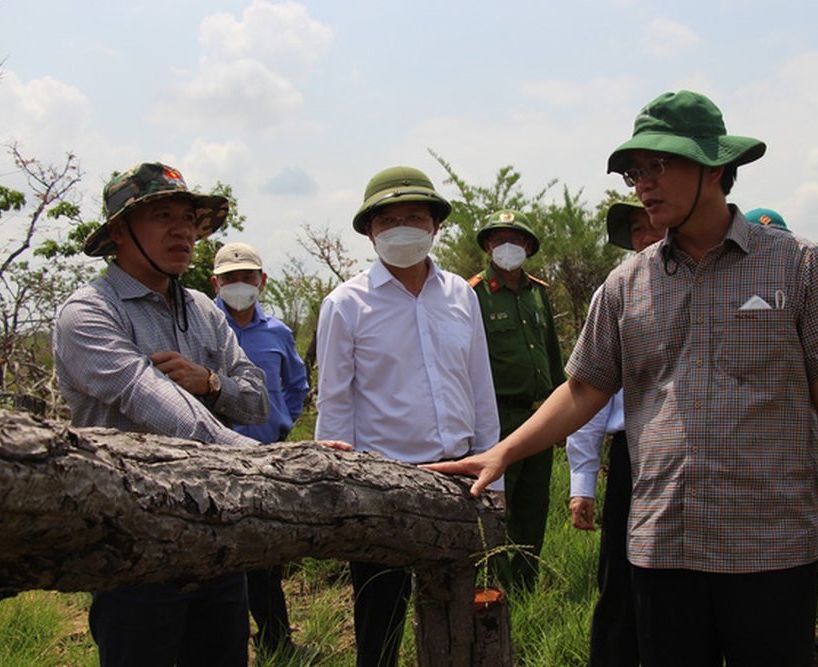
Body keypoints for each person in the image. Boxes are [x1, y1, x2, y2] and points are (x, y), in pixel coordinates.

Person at [427, 90, 818, 667]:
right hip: (665, 545)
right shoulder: (625, 284)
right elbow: (584, 388)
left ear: (714, 167)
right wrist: (502, 453)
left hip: (771, 543)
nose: (643, 184)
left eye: (660, 166)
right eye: (637, 171)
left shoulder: (796, 266)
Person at [53, 162, 271, 667]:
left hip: (219, 536)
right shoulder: (89, 312)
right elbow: (151, 399)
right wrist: (265, 462)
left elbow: (258, 398)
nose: (183, 230)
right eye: (162, 216)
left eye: (189, 218)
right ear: (120, 234)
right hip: (133, 543)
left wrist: (211, 383)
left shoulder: (203, 308)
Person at [314, 165, 501, 667]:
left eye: (414, 216)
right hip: (383, 481)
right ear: (370, 230)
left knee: (460, 614)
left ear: (435, 225)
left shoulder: (462, 295)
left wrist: (492, 472)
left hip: (462, 477)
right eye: (388, 218)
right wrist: (339, 492)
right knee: (380, 618)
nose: (402, 228)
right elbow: (334, 404)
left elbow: (480, 387)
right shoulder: (346, 305)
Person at [566, 198, 664, 667]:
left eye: (653, 225)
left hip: (705, 457)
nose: (648, 236)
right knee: (621, 583)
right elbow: (587, 396)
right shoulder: (618, 292)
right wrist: (582, 483)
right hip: (633, 456)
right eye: (637, 230)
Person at [211, 242, 309, 655]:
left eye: (247, 277)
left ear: (262, 281)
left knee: (267, 559)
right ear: (215, 283)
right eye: (230, 278)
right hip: (212, 459)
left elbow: (295, 384)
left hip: (267, 455)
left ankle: (277, 643)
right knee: (220, 561)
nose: (239, 285)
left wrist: (282, 424)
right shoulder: (202, 324)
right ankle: (221, 646)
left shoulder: (278, 332)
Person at [468, 209, 566, 592]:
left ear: (527, 246)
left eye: (515, 239)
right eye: (498, 239)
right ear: (488, 246)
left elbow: (552, 355)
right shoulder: (473, 293)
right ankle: (492, 586)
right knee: (495, 507)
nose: (507, 246)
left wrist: (562, 417)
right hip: (497, 417)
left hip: (539, 415)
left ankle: (524, 586)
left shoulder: (538, 292)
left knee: (532, 505)